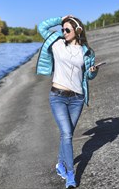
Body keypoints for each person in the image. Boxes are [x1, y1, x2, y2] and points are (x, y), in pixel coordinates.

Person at [36, 15, 99, 188]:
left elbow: (88, 76)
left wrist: (93, 71)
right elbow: (41, 27)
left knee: (67, 134)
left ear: (78, 30)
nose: (64, 32)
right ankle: (71, 175)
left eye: (67, 29)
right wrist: (61, 19)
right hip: (58, 97)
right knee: (67, 134)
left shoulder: (87, 51)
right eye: (62, 29)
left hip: (77, 99)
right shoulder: (56, 44)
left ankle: (60, 164)